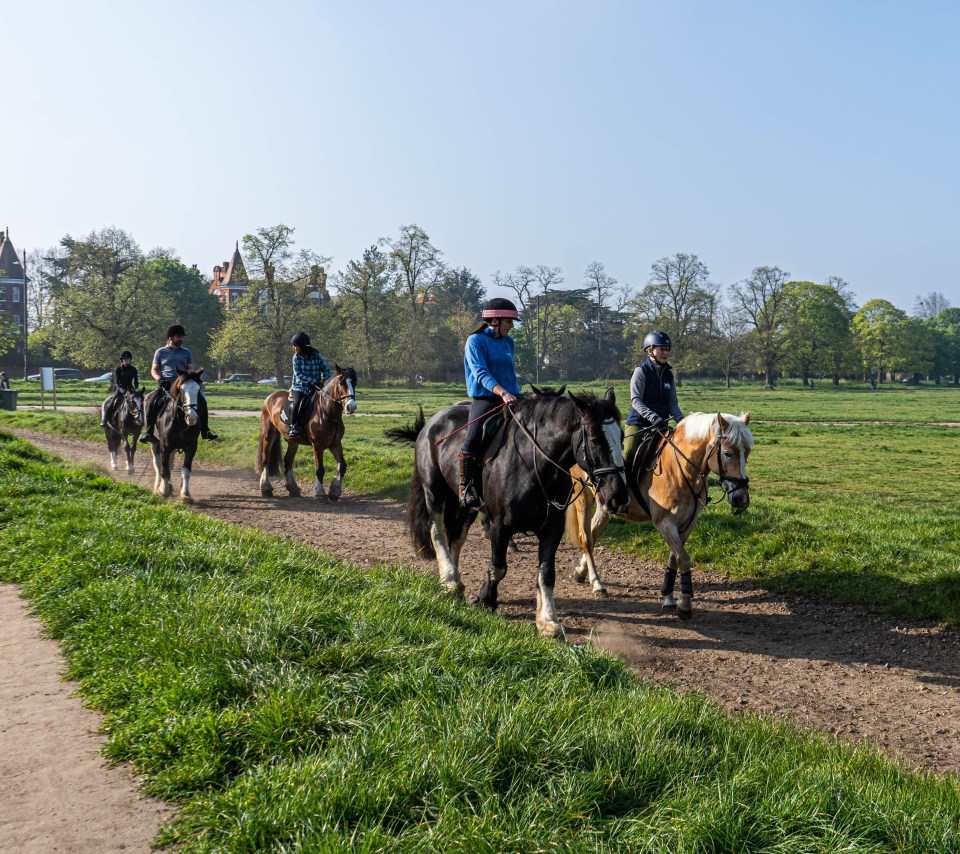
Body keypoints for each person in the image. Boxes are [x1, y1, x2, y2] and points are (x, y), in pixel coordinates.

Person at [459, 297, 522, 508]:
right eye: (509, 322)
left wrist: (515, 390)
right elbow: (481, 373)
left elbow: (508, 371)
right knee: (475, 434)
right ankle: (466, 485)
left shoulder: (508, 341)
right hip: (486, 398)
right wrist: (502, 392)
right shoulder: (475, 341)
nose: (512, 327)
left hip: (512, 395)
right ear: (494, 321)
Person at [140, 324, 217, 444]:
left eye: (181, 337)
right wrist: (159, 379)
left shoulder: (186, 352)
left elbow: (190, 370)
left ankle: (205, 430)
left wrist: (197, 381)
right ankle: (148, 432)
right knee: (150, 400)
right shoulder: (160, 352)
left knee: (202, 401)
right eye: (178, 337)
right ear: (170, 338)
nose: (180, 339)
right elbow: (154, 370)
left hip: (183, 385)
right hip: (166, 384)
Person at [624, 330, 684, 476]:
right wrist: (653, 417)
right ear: (649, 351)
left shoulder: (669, 375)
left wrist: (682, 421)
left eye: (667, 349)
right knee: (629, 453)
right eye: (661, 349)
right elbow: (636, 400)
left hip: (661, 425)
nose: (665, 353)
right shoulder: (641, 372)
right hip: (639, 423)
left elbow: (672, 404)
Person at [287, 331, 332, 439]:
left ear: (302, 346)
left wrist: (325, 380)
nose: (293, 348)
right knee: (297, 402)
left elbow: (326, 369)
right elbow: (298, 374)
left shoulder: (316, 355)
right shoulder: (296, 357)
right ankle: (294, 426)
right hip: (299, 387)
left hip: (316, 387)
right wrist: (312, 380)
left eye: (295, 345)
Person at [99, 351, 139, 427]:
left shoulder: (133, 369)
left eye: (128, 359)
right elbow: (117, 381)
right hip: (120, 390)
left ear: (130, 360)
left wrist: (136, 389)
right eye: (125, 359)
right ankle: (104, 420)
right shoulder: (118, 369)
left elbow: (136, 381)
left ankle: (140, 420)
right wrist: (121, 389)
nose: (126, 360)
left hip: (130, 390)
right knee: (111, 403)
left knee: (138, 402)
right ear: (122, 360)